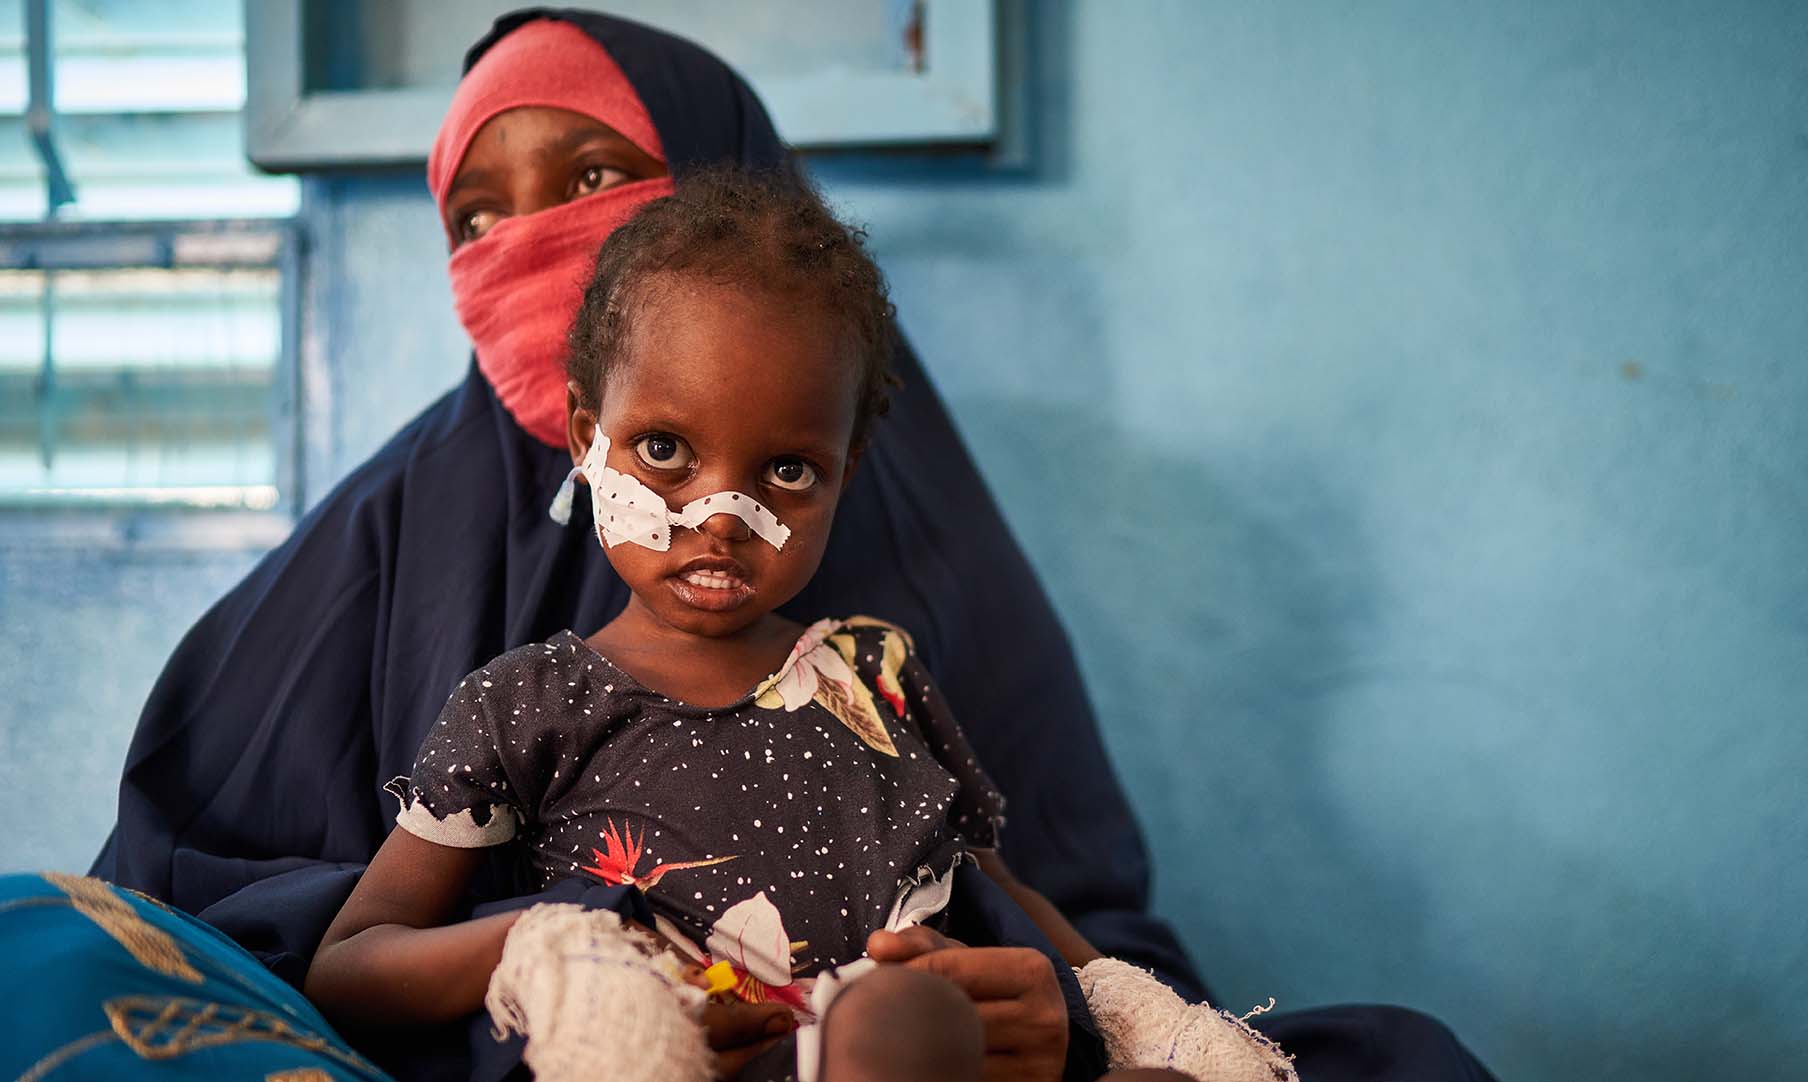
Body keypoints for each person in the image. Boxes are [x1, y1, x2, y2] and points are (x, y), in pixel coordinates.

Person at [91, 9, 1497, 1082]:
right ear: (591, 418)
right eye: (476, 213)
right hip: (557, 1030)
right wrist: (554, 952)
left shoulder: (876, 640)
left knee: (1398, 1051)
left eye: (591, 174)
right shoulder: (425, 565)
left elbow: (1066, 924)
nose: (529, 244)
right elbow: (217, 904)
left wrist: (1047, 1009)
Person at [307, 166, 1253, 1082]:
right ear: (583, 437)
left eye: (789, 472)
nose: (721, 515)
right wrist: (558, 939)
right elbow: (348, 964)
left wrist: (1128, 1021)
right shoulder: (527, 703)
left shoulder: (872, 674)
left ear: (848, 467)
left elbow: (1000, 891)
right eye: (665, 450)